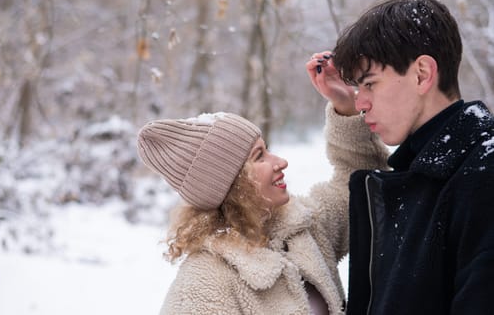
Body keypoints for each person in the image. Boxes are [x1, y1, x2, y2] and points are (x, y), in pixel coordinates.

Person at [306, 0, 494, 314]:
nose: (361, 102)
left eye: (370, 84)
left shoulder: (483, 176)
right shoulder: (421, 176)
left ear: (422, 73)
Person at [137, 97, 388, 313]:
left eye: (268, 150)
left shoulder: (300, 229)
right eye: (260, 156)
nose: (280, 162)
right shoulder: (204, 284)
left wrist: (345, 106)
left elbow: (357, 188)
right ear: (231, 184)